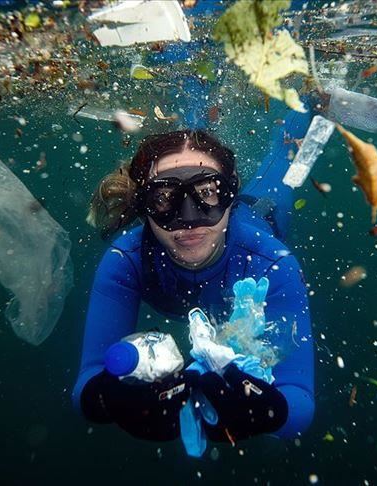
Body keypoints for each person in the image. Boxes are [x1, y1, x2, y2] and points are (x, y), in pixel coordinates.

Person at [71, 98, 316, 443]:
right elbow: (88, 385)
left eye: (207, 192)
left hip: (263, 215)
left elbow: (300, 401)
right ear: (143, 206)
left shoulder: (272, 262)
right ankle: (194, 103)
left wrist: (267, 410)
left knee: (282, 165)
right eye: (164, 198)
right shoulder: (125, 260)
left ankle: (309, 103)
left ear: (229, 196)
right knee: (194, 125)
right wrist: (109, 398)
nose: (188, 220)